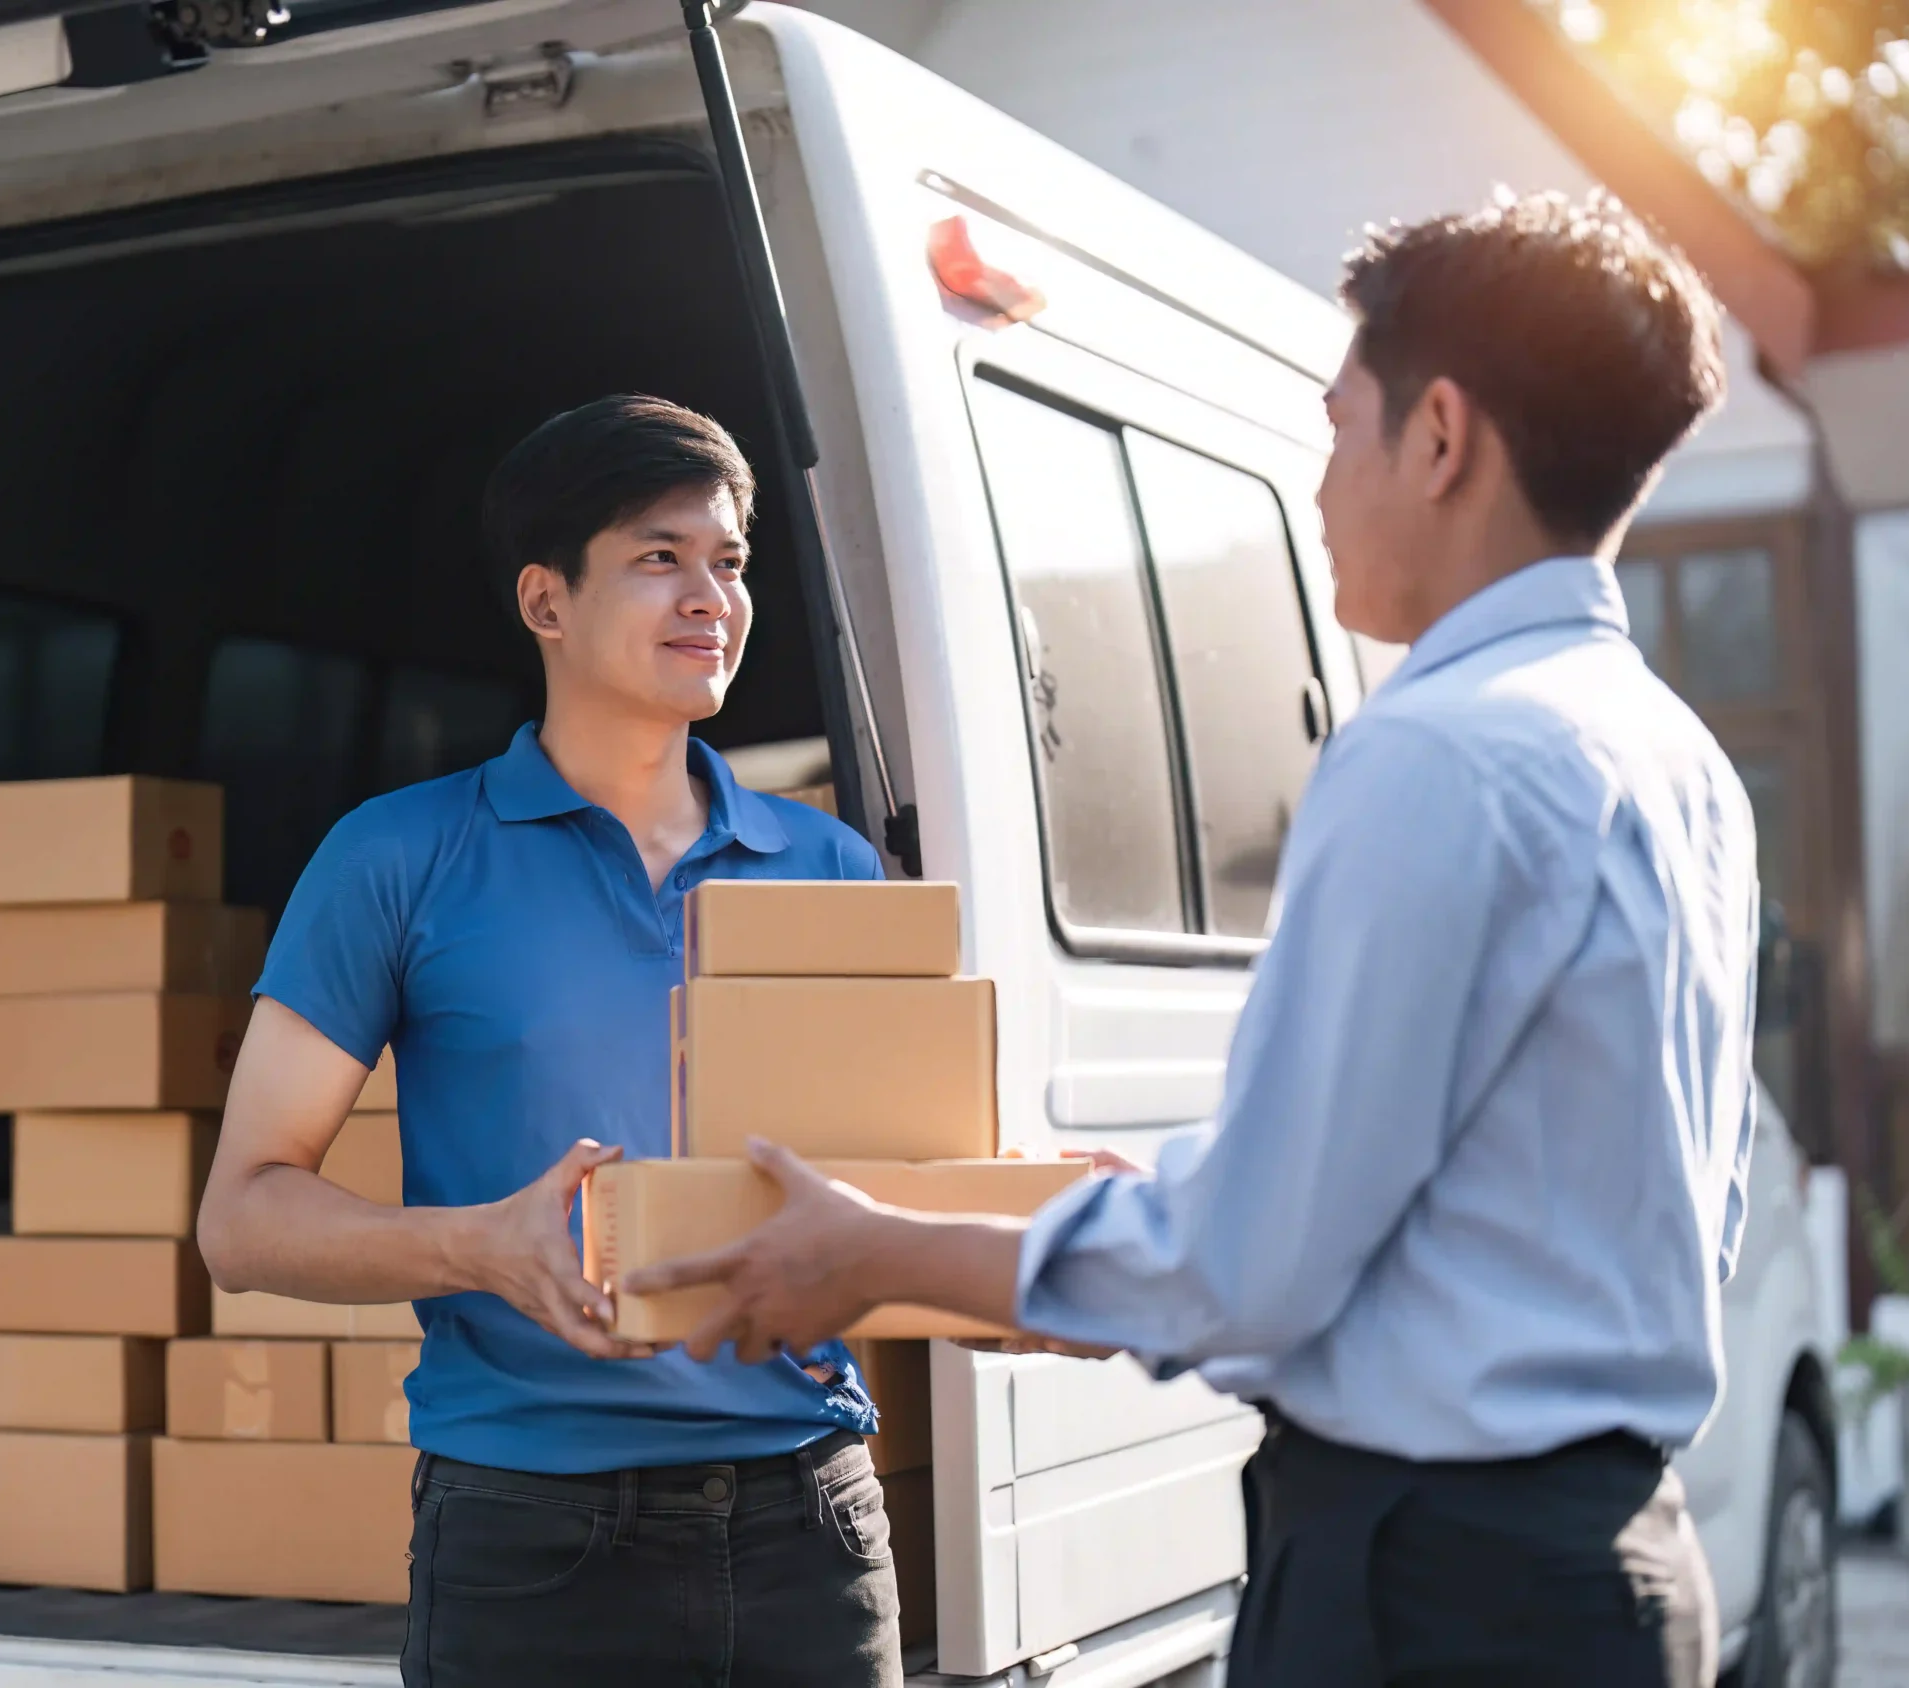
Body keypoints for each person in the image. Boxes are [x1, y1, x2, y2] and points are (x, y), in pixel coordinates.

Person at [624, 191, 1752, 1688]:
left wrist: (881, 1253)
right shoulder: (1676, 758)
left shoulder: (1439, 755)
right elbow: (1534, 1188)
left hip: (1436, 1590)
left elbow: (1251, 1272)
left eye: (1341, 424)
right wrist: (1180, 1202)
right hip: (1610, 1565)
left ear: (1441, 439)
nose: (1324, 476)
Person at [197, 394, 905, 1688]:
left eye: (730, 563)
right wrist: (480, 1246)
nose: (712, 597)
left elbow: (893, 1173)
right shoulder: (396, 861)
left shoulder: (829, 867)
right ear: (545, 602)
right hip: (531, 1540)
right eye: (658, 557)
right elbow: (241, 1220)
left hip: (813, 1525)